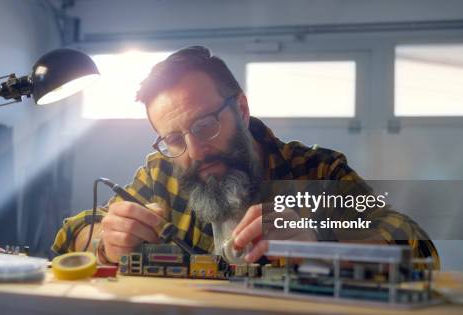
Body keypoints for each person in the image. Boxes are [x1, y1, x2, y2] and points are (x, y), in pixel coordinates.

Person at [52, 46, 439, 268]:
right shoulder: (162, 175)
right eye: (173, 138)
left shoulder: (314, 171)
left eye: (204, 126)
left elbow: (416, 246)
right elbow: (71, 234)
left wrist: (319, 238)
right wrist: (106, 241)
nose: (196, 151)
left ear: (241, 107)